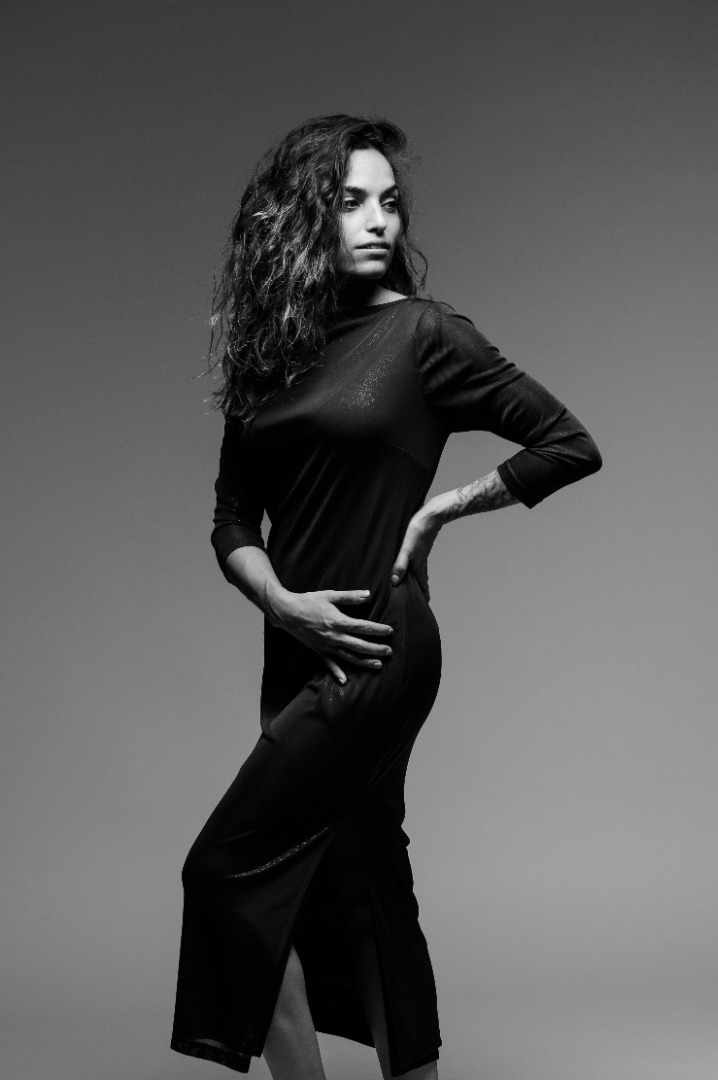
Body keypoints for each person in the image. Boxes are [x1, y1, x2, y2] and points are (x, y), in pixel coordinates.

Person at [171, 114, 602, 1080]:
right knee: (366, 883)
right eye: (351, 201)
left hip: (374, 644)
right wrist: (283, 604)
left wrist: (443, 509)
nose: (378, 220)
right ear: (299, 219)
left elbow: (568, 443)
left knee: (222, 873)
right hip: (296, 649)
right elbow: (232, 520)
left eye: (390, 202)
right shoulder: (268, 356)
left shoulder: (424, 333)